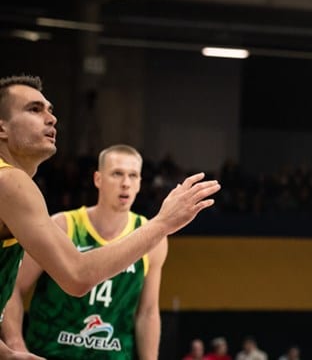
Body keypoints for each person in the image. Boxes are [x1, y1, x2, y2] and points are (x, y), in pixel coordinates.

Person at [0, 74, 219, 360]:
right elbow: (77, 276)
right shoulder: (14, 185)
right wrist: (164, 223)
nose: (51, 118)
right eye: (34, 109)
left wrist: (7, 354)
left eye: (50, 110)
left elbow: (148, 312)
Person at [0, 144, 167, 359]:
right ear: (98, 179)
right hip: (51, 352)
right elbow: (14, 287)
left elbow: (148, 312)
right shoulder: (63, 226)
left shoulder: (151, 237)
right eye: (117, 174)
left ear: (140, 183)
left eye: (133, 175)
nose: (126, 183)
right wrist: (15, 344)